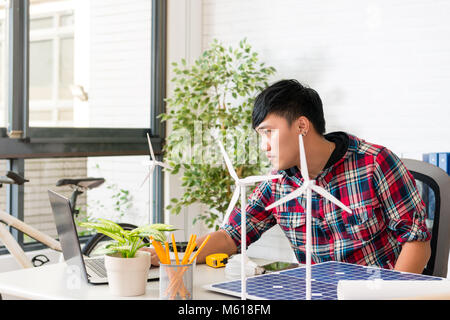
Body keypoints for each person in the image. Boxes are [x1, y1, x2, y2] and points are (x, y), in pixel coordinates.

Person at [146, 79, 431, 274]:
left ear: (302, 126)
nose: (264, 146)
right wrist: (171, 256)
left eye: (269, 132)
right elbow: (231, 236)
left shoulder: (375, 163)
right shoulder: (277, 184)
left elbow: (417, 243)